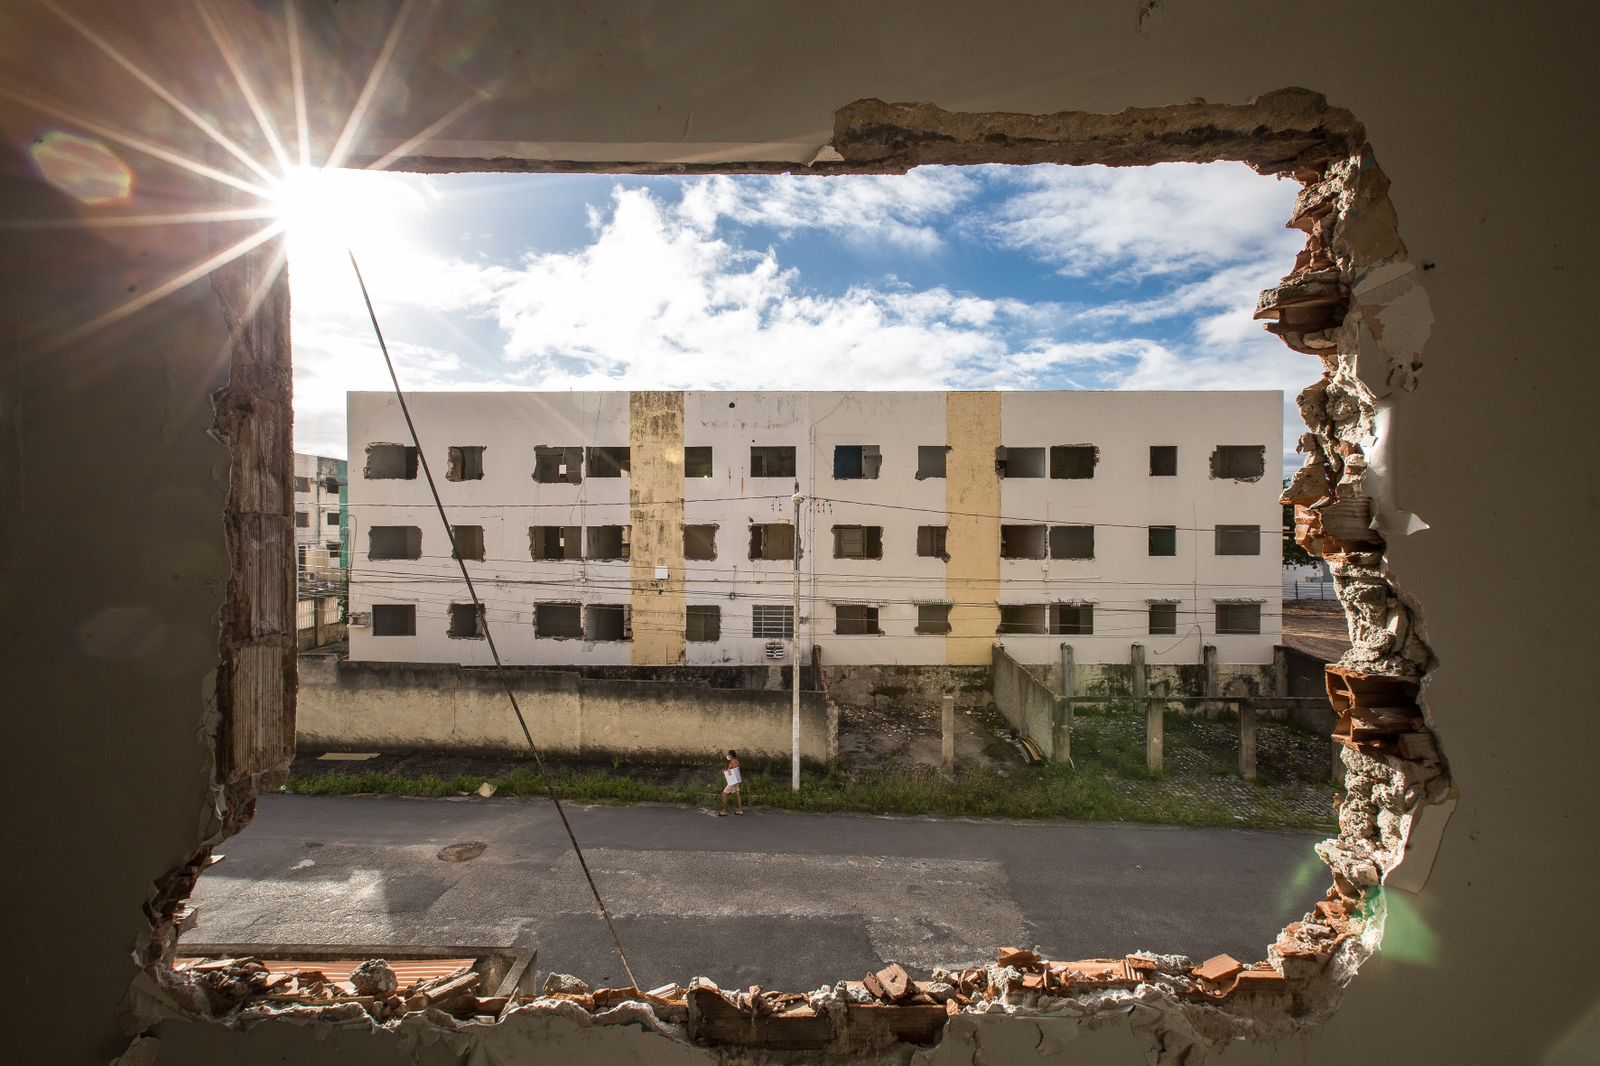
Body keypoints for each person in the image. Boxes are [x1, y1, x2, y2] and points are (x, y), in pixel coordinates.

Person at [718, 749, 743, 816]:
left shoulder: (733, 762)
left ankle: (724, 811)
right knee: (737, 795)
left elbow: (734, 772)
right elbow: (733, 771)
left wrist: (727, 773)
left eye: (728, 754)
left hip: (732, 782)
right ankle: (740, 810)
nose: (727, 755)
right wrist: (726, 771)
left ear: (731, 755)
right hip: (735, 782)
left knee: (724, 794)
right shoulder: (736, 761)